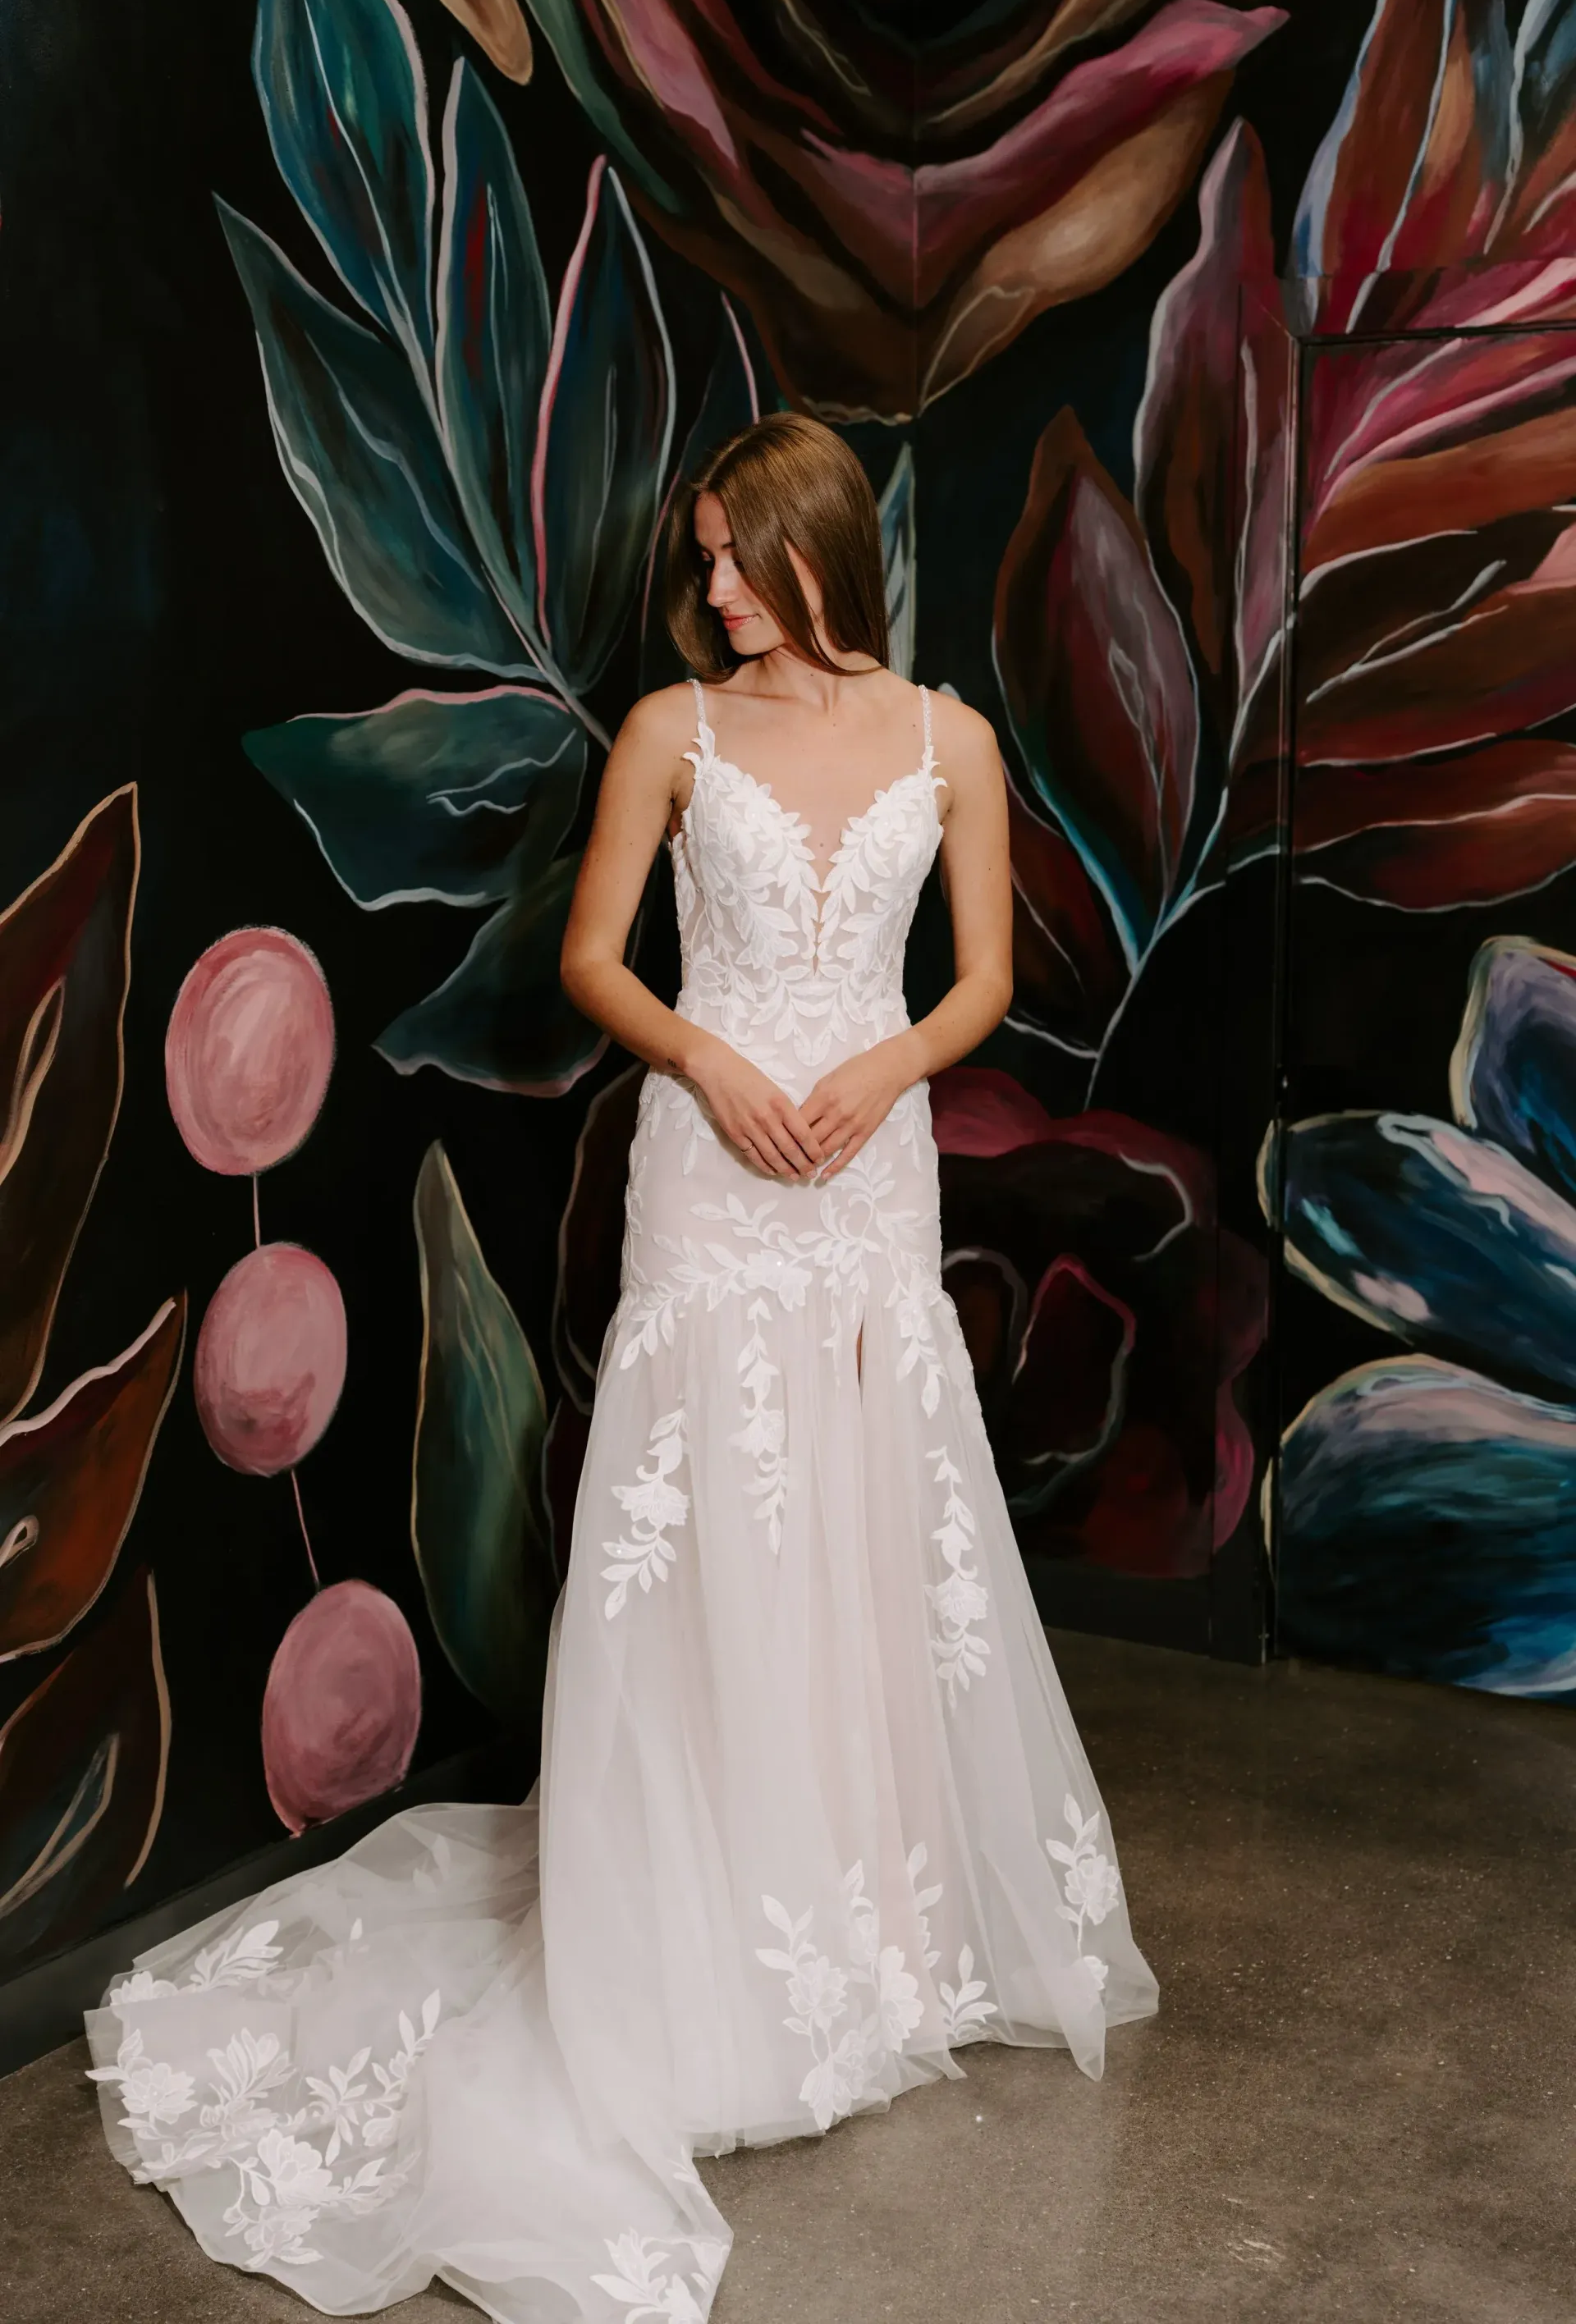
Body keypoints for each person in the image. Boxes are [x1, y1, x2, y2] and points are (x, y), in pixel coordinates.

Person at [85, 414, 1157, 2321]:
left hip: (866, 1165)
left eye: (740, 551)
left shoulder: (951, 744)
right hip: (718, 1159)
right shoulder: (676, 732)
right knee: (702, 1526)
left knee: (857, 1507)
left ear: (818, 544)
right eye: (708, 557)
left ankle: (868, 1933)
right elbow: (595, 960)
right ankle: (696, 1948)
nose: (715, 588)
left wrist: (878, 1073)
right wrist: (721, 1067)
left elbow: (984, 977)